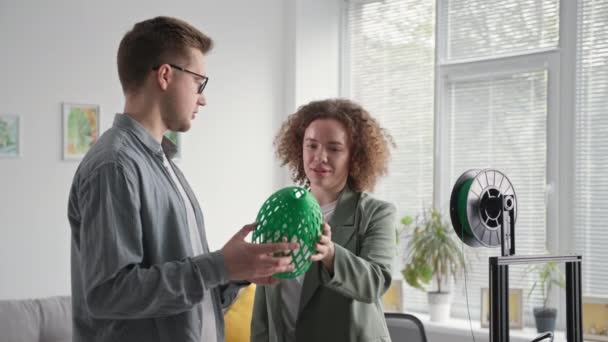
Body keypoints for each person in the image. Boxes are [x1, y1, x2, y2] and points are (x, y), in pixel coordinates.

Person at [67, 16, 298, 342]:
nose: (202, 98)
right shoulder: (114, 166)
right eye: (198, 82)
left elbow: (188, 298)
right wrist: (219, 266)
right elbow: (109, 293)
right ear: (165, 75)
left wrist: (237, 273)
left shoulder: (166, 164)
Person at [251, 98, 397, 342]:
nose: (320, 157)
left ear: (354, 156)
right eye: (312, 146)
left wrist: (331, 255)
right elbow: (264, 303)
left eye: (334, 148)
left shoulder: (376, 213)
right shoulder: (282, 210)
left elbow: (375, 281)